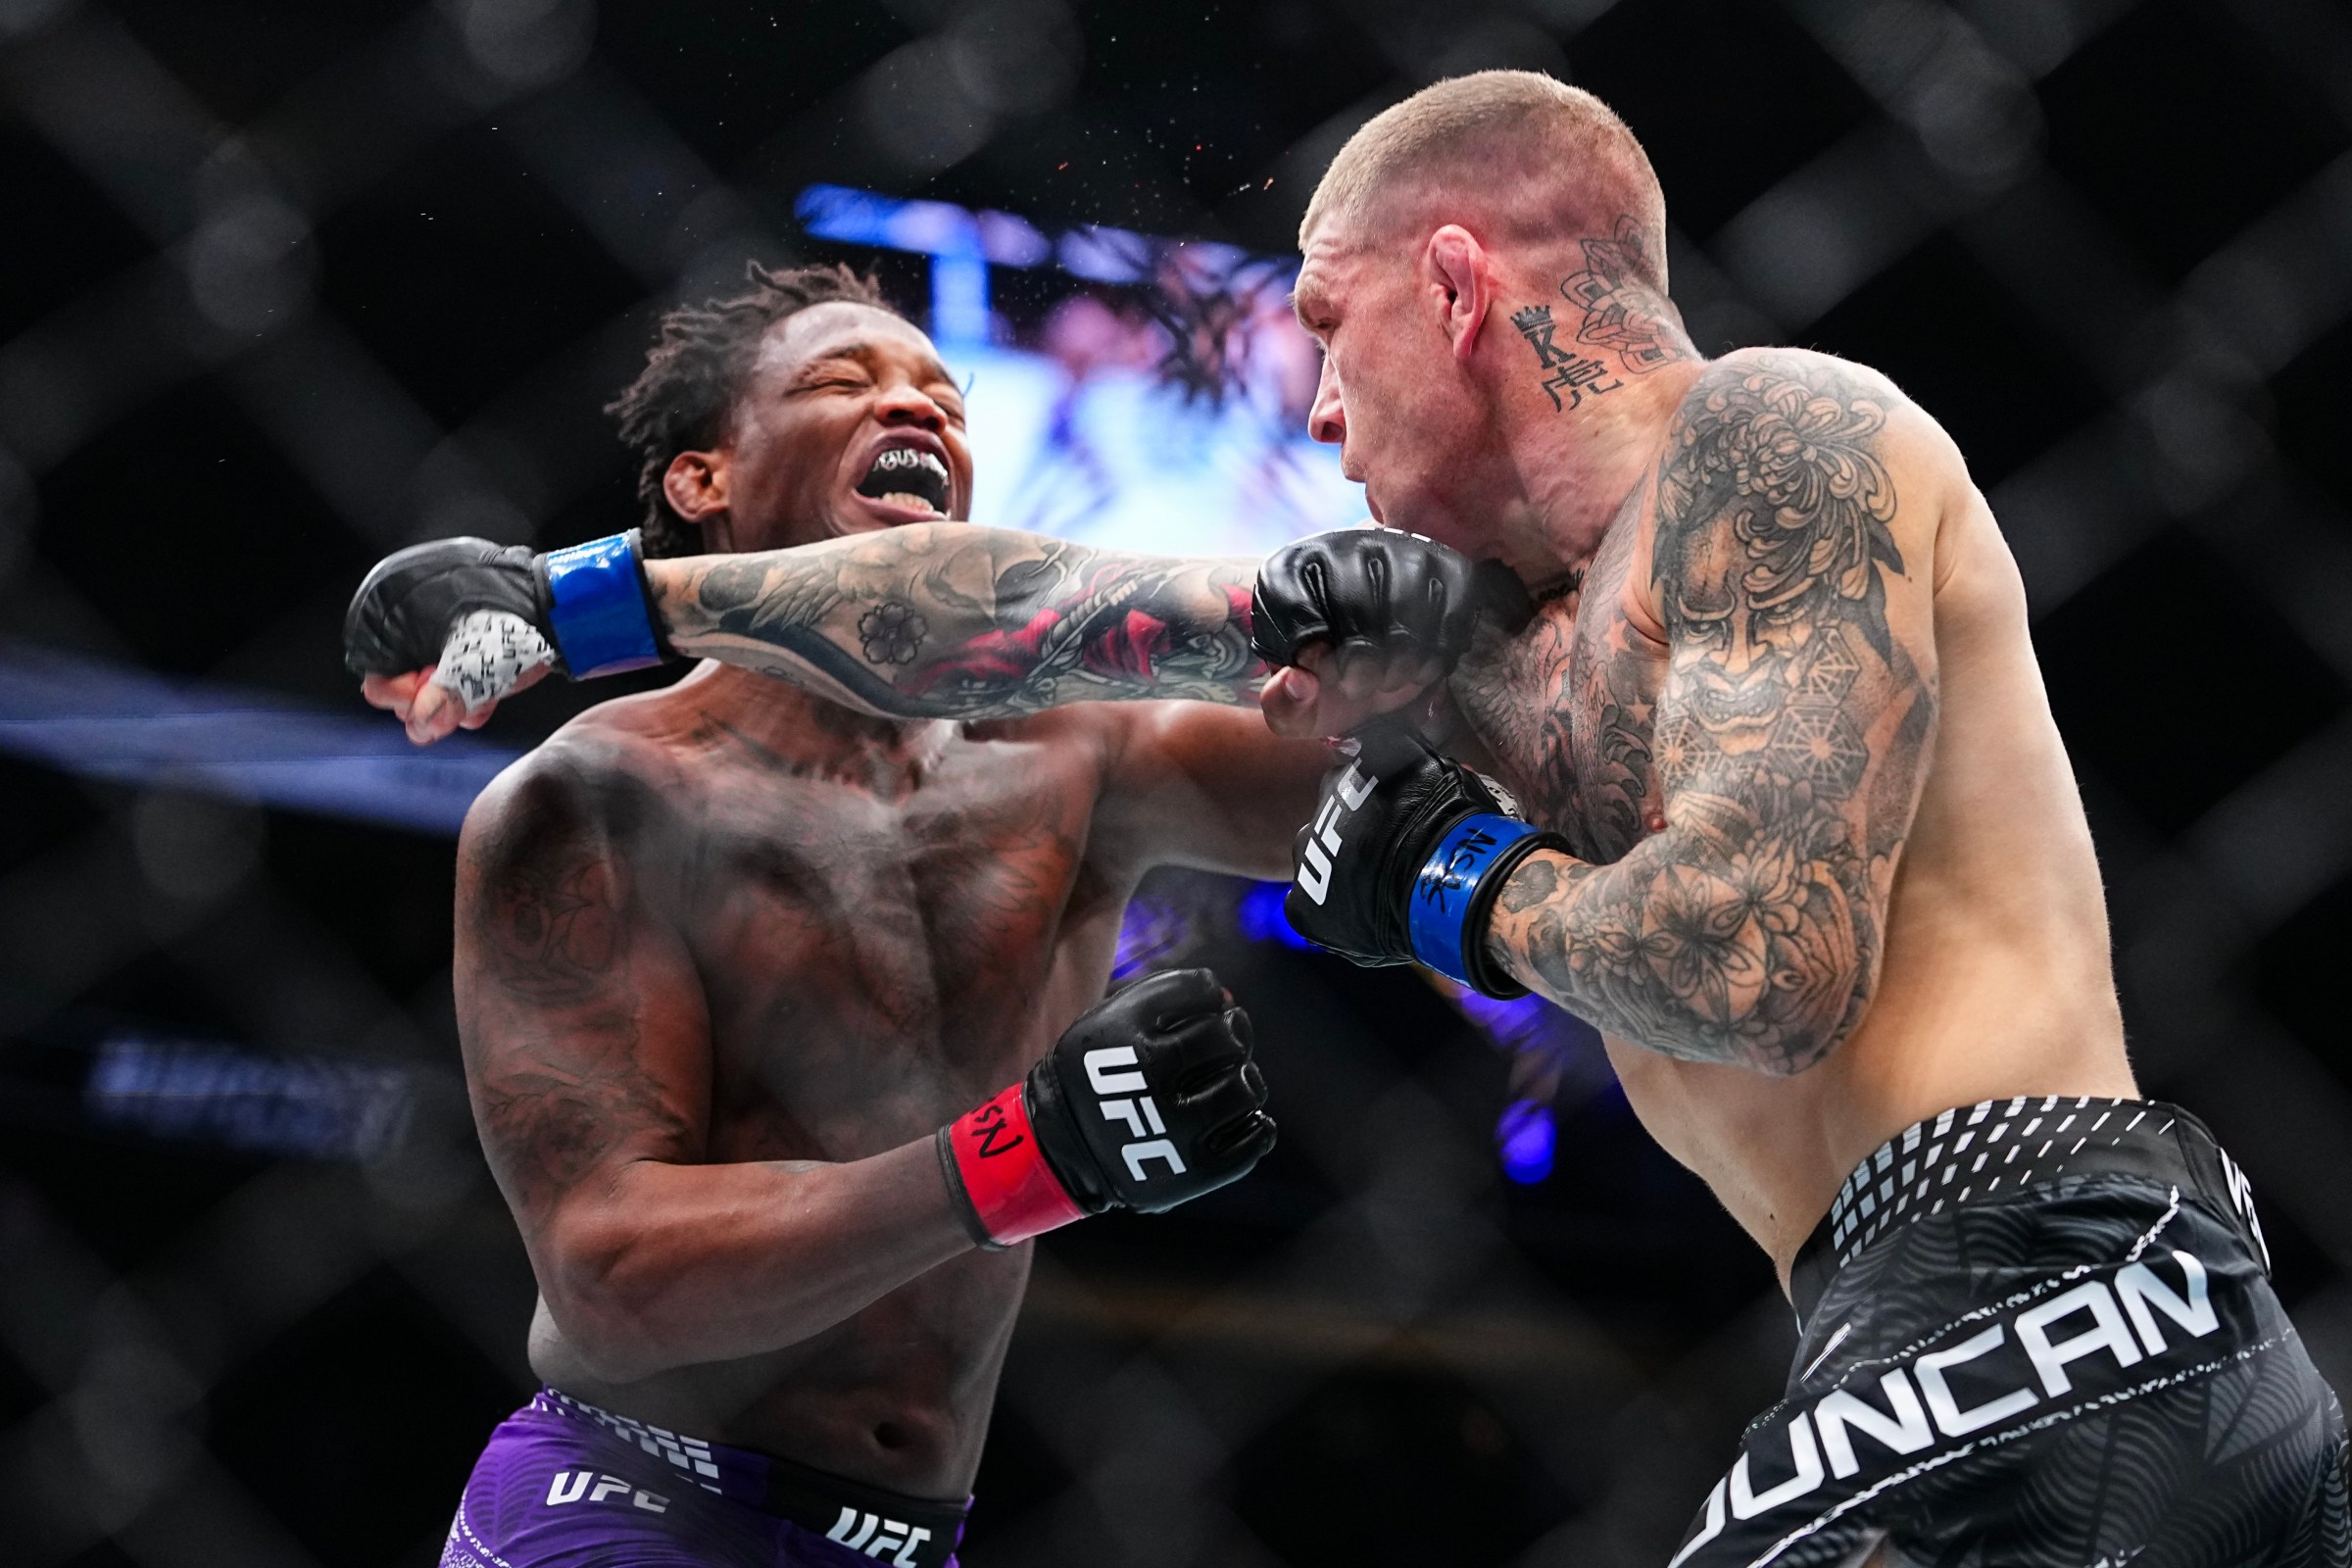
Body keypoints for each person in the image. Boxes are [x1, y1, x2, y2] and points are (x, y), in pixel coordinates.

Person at [353, 74, 2350, 1567]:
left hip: (2047, 1281)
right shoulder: (1490, 642)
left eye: (1323, 319)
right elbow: (1029, 609)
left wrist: (1468, 892)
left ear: (1458, 285)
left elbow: (1766, 959)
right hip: (1931, 1311)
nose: (1308, 402)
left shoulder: (1781, 439)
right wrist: (589, 598)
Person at [353, 262, 1505, 1568]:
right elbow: (609, 1277)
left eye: (943, 397)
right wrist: (1034, 1154)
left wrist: (1442, 618)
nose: (915, 410)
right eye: (842, 383)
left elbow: (1419, 806)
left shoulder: (1083, 758)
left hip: (916, 1542)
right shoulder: (595, 799)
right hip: (631, 1504)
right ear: (702, 482)